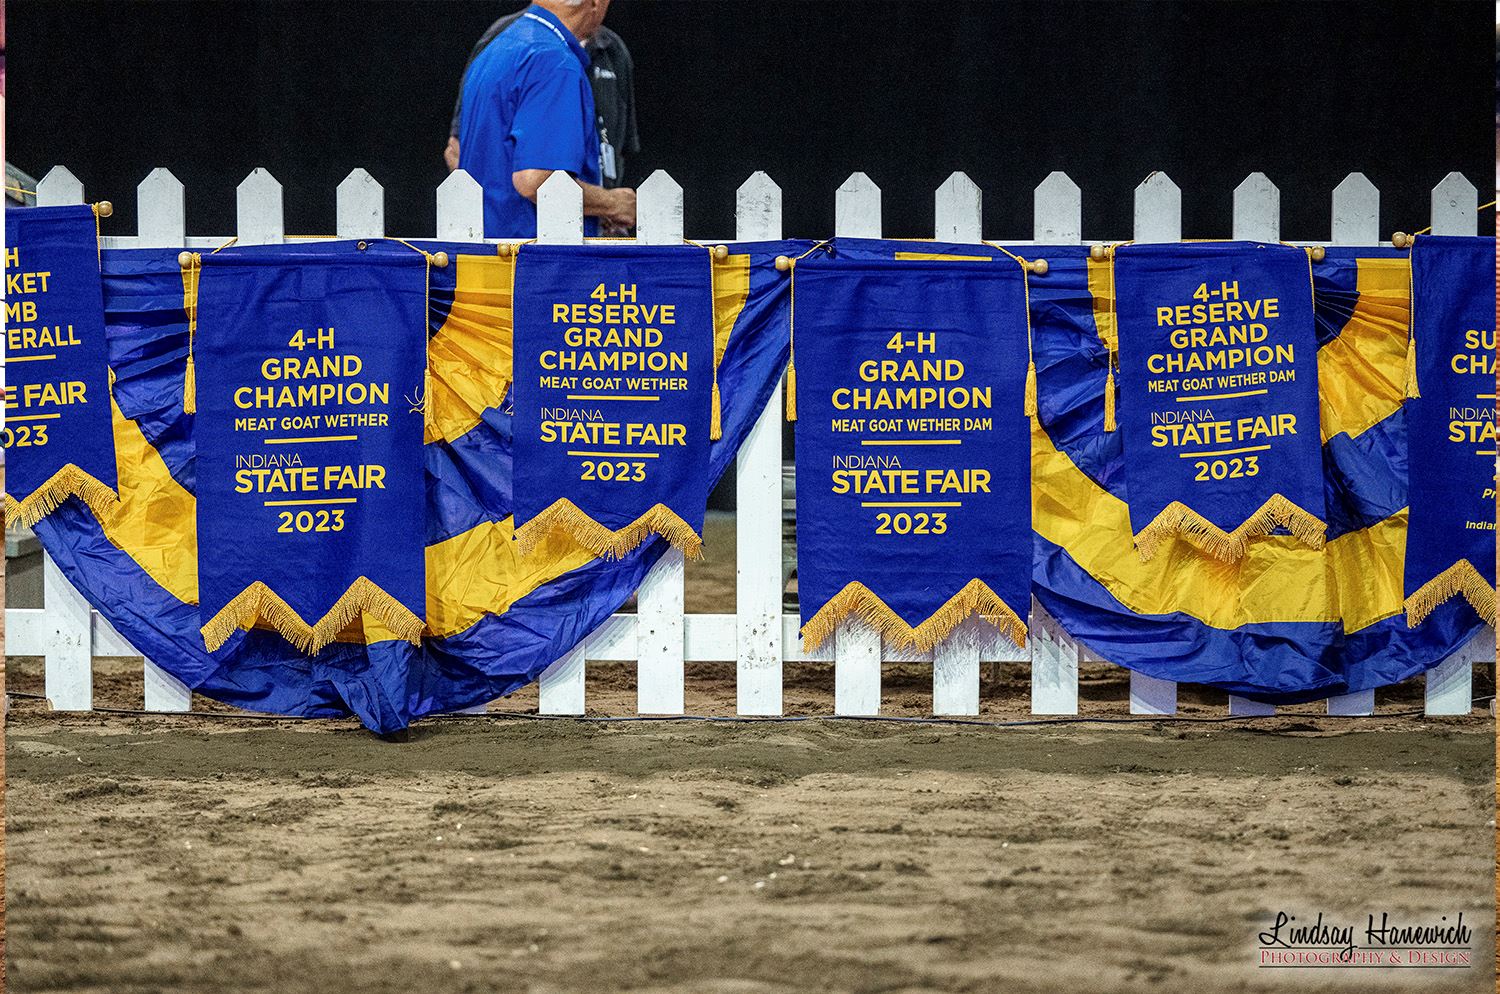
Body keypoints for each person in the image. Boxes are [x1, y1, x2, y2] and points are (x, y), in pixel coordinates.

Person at [454, 0, 635, 238]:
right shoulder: (555, 61)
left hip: (483, 252)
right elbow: (537, 182)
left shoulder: (497, 48)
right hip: (536, 259)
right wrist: (611, 202)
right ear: (595, 3)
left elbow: (457, 150)